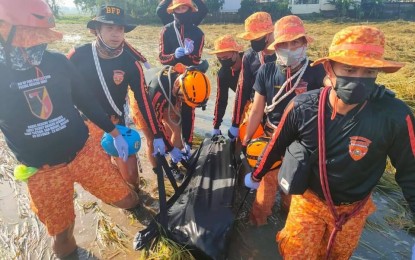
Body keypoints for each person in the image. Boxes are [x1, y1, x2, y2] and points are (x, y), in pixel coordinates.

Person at [245, 25, 415, 259]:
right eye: (349, 69)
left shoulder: (394, 116)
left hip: (353, 210)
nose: (358, 80)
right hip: (309, 201)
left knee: (338, 255)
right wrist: (256, 175)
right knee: (297, 253)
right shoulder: (303, 108)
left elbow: (410, 174)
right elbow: (276, 145)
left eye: (368, 73)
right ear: (330, 69)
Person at [0, 0, 139, 258]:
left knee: (128, 200)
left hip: (83, 151)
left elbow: (86, 100)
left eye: (39, 40)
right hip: (42, 170)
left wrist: (114, 132)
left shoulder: (58, 63)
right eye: (27, 41)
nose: (34, 48)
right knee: (62, 234)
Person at [68, 5, 169, 190]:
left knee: (131, 177)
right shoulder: (78, 55)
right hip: (86, 124)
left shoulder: (130, 63)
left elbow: (143, 100)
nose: (115, 34)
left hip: (117, 120)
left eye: (120, 29)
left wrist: (157, 135)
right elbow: (60, 89)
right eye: (109, 28)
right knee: (101, 174)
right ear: (97, 30)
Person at [242, 15, 326, 226]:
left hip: (302, 144)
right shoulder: (267, 70)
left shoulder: (317, 71)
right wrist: (245, 141)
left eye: (296, 42)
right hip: (272, 138)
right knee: (265, 189)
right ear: (275, 46)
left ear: (304, 43)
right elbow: (257, 111)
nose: (290, 47)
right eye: (284, 43)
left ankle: (286, 221)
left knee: (293, 190)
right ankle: (257, 226)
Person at [158, 0, 207, 153]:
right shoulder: (166, 31)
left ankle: (188, 144)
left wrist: (189, 54)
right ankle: (170, 148)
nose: (181, 11)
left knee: (189, 109)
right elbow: (161, 58)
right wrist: (174, 55)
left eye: (184, 7)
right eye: (178, 8)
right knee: (168, 113)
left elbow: (197, 60)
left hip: (189, 76)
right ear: (173, 11)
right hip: (170, 75)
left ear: (190, 9)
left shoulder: (198, 33)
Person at [145, 64, 211, 173]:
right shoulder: (157, 92)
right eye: (182, 99)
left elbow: (188, 117)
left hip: (169, 93)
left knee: (176, 128)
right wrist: (170, 148)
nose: (182, 103)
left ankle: (172, 164)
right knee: (152, 139)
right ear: (177, 84)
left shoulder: (188, 87)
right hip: (145, 100)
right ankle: (158, 170)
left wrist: (188, 143)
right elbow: (155, 125)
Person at [228, 12, 276, 141]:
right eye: (251, 39)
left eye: (257, 38)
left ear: (268, 34)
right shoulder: (250, 56)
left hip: (276, 111)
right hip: (253, 108)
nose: (253, 42)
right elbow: (242, 88)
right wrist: (235, 123)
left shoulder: (283, 56)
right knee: (246, 145)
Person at [208, 35, 244, 136]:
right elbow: (221, 100)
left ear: (236, 52)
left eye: (226, 57)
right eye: (219, 58)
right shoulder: (223, 74)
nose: (223, 61)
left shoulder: (250, 62)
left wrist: (235, 124)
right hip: (243, 102)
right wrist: (216, 126)